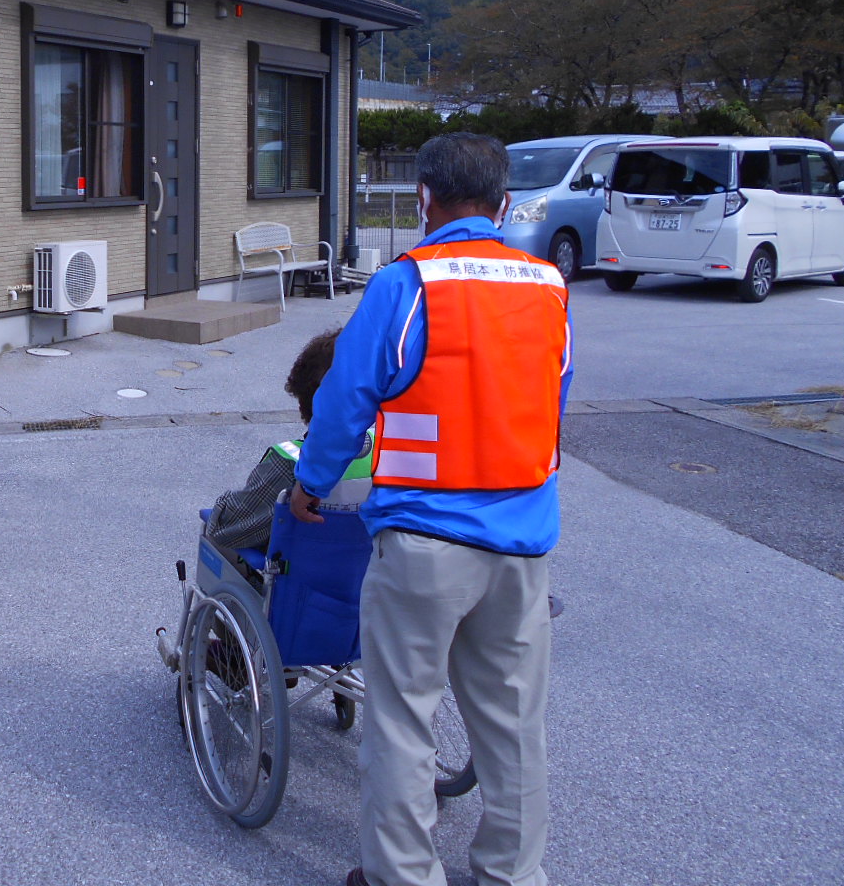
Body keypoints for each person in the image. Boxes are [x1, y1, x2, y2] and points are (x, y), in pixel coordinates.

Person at [291, 132, 572, 886]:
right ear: (505, 204)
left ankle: (404, 877)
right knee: (514, 728)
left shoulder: (406, 284)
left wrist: (309, 487)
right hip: (521, 541)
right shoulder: (549, 287)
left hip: (424, 542)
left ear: (424, 199)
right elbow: (553, 405)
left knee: (403, 721)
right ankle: (512, 876)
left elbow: (343, 402)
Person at [203, 330, 372, 553]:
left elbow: (227, 529)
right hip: (368, 581)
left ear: (305, 394)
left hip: (300, 583)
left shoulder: (290, 462)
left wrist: (222, 505)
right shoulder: (388, 454)